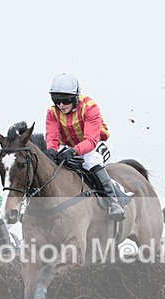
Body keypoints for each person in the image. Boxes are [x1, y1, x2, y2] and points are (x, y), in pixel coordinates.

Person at [45, 73, 125, 220]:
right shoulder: (52, 112)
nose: (61, 105)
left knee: (90, 161)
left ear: (75, 97)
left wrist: (74, 151)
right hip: (70, 146)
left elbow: (90, 140)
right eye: (56, 100)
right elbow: (52, 137)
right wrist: (51, 150)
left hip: (96, 144)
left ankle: (113, 201)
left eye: (66, 100)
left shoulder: (90, 107)